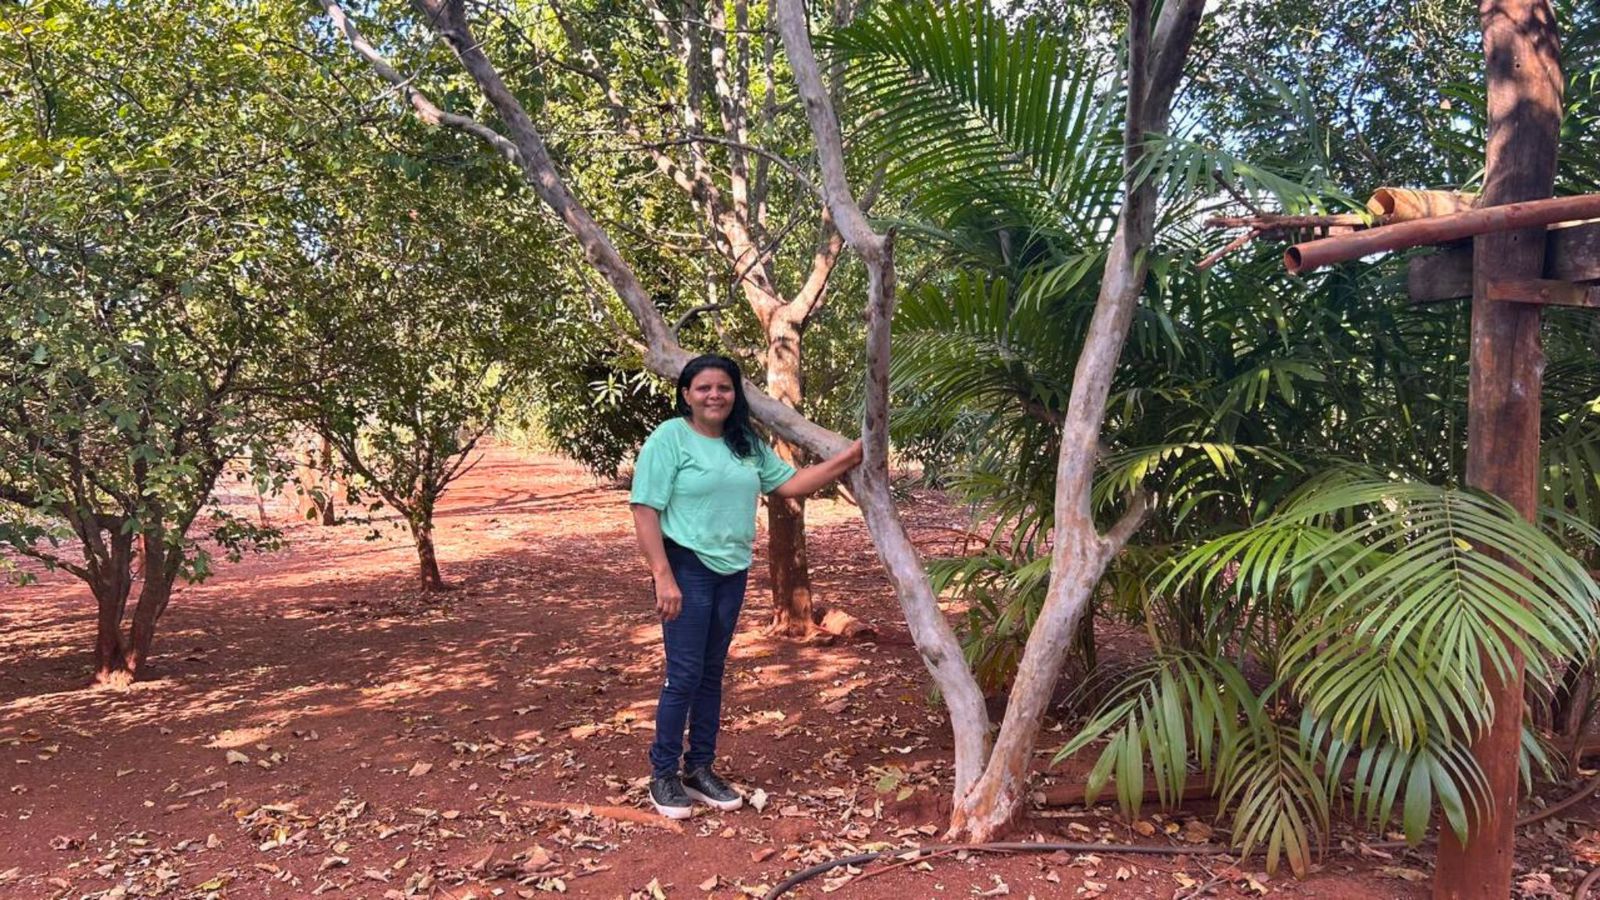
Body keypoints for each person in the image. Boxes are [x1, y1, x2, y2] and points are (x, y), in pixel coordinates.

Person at [630, 354, 862, 819]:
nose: (714, 395)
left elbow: (792, 485)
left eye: (724, 387)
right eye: (704, 388)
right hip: (686, 567)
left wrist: (848, 458)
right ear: (686, 394)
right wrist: (663, 576)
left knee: (711, 672)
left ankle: (699, 770)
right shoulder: (670, 438)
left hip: (731, 570)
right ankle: (663, 775)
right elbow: (644, 508)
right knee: (684, 674)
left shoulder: (745, 442)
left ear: (736, 395)